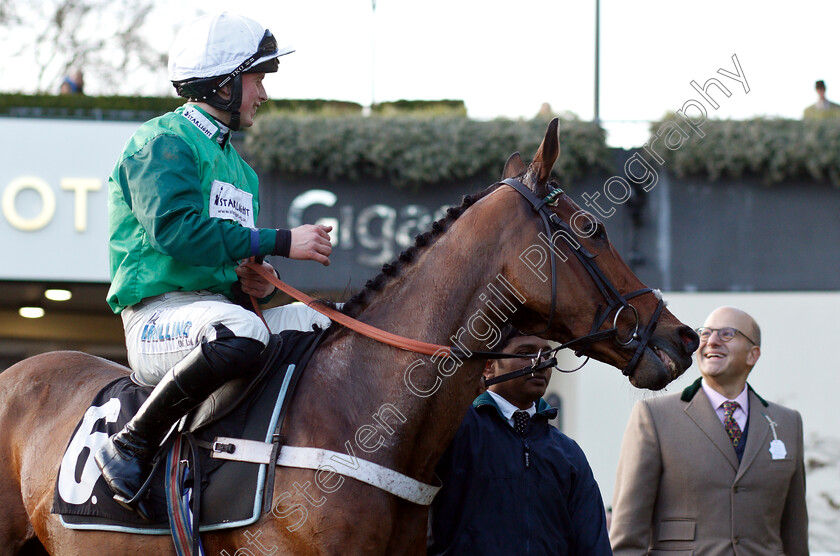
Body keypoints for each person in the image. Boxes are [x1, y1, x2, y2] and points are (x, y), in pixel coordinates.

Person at [94, 12, 334, 519]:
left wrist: (257, 285)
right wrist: (284, 239)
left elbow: (232, 263)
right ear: (224, 85)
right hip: (157, 318)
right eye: (257, 80)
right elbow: (178, 233)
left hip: (218, 317)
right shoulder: (160, 142)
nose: (263, 94)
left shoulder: (242, 171)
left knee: (326, 324)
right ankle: (132, 444)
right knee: (242, 332)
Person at [610, 306, 808, 555]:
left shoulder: (787, 423)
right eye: (705, 334)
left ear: (752, 354)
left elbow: (795, 534)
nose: (712, 342)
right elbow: (627, 539)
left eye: (727, 334)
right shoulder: (654, 416)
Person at [428, 326, 613, 555]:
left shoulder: (569, 454)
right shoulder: (454, 431)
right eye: (526, 353)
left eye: (546, 354)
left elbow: (594, 546)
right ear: (488, 366)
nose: (541, 362)